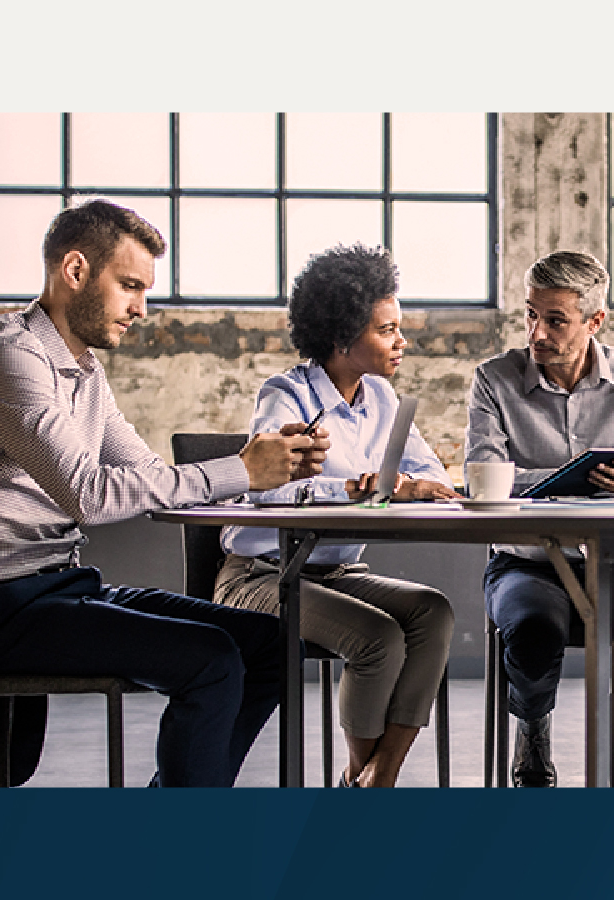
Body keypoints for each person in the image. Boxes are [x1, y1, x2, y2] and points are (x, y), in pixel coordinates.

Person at [0, 200, 325, 787]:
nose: (141, 308)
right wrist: (242, 469)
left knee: (271, 644)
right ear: (76, 271)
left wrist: (273, 463)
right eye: (130, 286)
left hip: (57, 588)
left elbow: (149, 476)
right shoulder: (8, 357)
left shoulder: (84, 371)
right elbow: (88, 495)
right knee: (211, 661)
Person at [215, 244, 458, 788]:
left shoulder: (383, 399)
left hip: (337, 574)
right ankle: (363, 786)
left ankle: (376, 776)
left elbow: (431, 475)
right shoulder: (286, 395)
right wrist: (351, 488)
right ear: (342, 337)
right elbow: (268, 492)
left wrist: (413, 485)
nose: (402, 341)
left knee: (432, 611)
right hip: (261, 577)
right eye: (386, 330)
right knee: (379, 638)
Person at [467, 249, 614, 787]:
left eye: (555, 320)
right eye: (530, 315)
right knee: (533, 631)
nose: (536, 333)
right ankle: (533, 723)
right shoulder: (494, 380)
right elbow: (486, 476)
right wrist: (575, 475)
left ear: (595, 321)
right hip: (524, 564)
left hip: (613, 565)